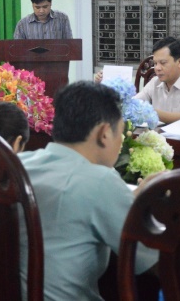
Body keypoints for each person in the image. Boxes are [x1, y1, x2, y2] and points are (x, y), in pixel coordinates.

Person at [18, 81, 157, 299]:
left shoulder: (20, 164)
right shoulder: (100, 181)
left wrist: (130, 198)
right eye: (120, 133)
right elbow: (153, 259)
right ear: (104, 133)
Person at [134, 37, 180, 124]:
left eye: (163, 63)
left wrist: (153, 112)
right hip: (157, 132)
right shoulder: (155, 82)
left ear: (179, 62)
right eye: (155, 63)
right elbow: (135, 104)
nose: (157, 68)